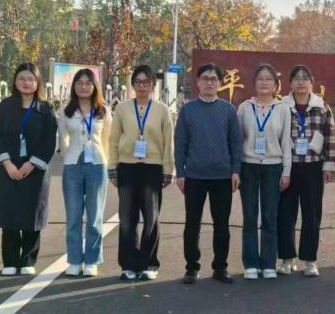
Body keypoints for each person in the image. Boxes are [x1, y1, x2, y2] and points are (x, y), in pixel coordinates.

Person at [0, 62, 58, 276]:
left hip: (35, 170)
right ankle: (10, 260)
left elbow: (49, 140)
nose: (26, 83)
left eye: (31, 79)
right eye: (22, 79)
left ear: (38, 82)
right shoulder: (5, 106)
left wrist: (31, 163)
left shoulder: (45, 109)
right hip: (8, 169)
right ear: (15, 82)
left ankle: (28, 260)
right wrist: (7, 164)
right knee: (10, 214)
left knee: (32, 215)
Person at [175, 63, 243, 285]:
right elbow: (180, 143)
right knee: (192, 224)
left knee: (221, 225)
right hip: (194, 176)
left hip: (222, 176)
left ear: (220, 83)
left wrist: (235, 170)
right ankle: (191, 267)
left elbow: (236, 144)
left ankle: (220, 267)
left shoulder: (228, 110)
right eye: (205, 78)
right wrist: (180, 172)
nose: (209, 82)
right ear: (198, 82)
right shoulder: (187, 110)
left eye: (214, 79)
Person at [108, 65, 175, 281]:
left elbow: (168, 143)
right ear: (133, 85)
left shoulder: (162, 110)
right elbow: (113, 140)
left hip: (152, 168)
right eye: (138, 82)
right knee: (127, 219)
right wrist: (112, 167)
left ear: (153, 85)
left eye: (146, 82)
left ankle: (149, 264)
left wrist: (168, 169)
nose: (142, 86)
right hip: (127, 167)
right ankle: (129, 265)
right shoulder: (122, 108)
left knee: (151, 219)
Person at [277, 65, 335, 277]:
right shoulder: (282, 107)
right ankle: (287, 258)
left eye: (305, 78)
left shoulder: (322, 107)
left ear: (312, 82)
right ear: (290, 83)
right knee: (286, 214)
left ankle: (310, 260)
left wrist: (329, 165)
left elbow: (330, 136)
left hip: (313, 167)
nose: (301, 82)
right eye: (296, 78)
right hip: (288, 167)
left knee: (312, 214)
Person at [236, 64, 292, 280]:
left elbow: (286, 142)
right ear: (254, 83)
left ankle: (269, 263)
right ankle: (251, 263)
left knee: (270, 216)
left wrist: (286, 171)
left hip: (273, 167)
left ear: (276, 84)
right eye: (260, 79)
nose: (264, 82)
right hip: (248, 166)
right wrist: (236, 170)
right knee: (250, 216)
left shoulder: (283, 109)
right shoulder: (244, 108)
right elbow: (237, 141)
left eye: (269, 79)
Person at [57, 68, 111, 278]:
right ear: (74, 86)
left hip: (97, 165)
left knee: (95, 216)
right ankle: (74, 260)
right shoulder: (66, 111)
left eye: (88, 83)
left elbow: (107, 139)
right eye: (79, 83)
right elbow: (63, 139)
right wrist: (68, 159)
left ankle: (91, 260)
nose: (84, 86)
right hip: (72, 165)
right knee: (73, 215)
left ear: (95, 86)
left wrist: (105, 161)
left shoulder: (103, 111)